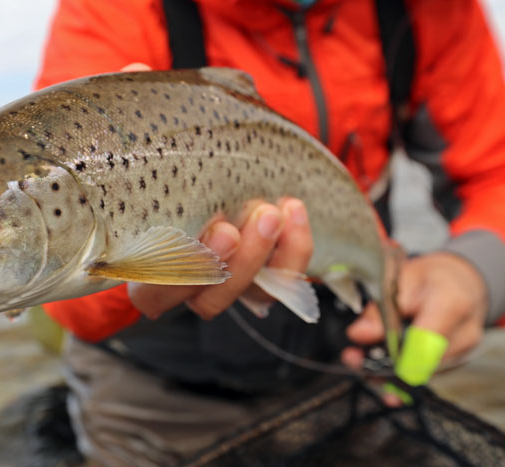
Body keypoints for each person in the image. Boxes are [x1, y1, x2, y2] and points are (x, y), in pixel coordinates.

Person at [34, 0, 505, 464]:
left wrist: (476, 272)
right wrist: (154, 259)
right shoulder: (114, 9)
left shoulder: (435, 10)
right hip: (154, 402)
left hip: (342, 367)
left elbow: (496, 170)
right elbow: (69, 292)